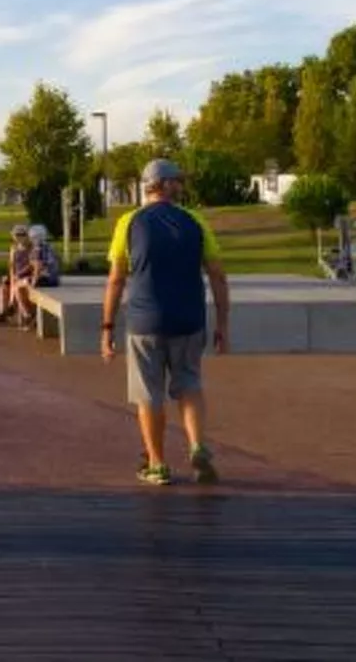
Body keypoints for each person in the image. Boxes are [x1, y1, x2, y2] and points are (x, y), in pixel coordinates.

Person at [101, 158, 231, 486]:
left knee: (149, 394)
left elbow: (116, 279)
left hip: (144, 322)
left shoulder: (129, 223)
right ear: (164, 184)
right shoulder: (195, 222)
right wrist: (222, 326)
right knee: (189, 385)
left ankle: (157, 464)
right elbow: (217, 275)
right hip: (189, 320)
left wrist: (106, 328)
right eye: (178, 181)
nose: (182, 187)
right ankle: (198, 445)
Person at [0, 224, 36, 326]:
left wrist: (19, 274)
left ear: (27, 236)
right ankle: (3, 312)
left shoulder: (32, 248)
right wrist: (11, 276)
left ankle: (12, 306)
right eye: (16, 235)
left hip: (27, 274)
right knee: (4, 287)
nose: (19, 237)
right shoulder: (14, 248)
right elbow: (11, 265)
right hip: (17, 274)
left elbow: (32, 265)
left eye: (22, 235)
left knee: (16, 283)